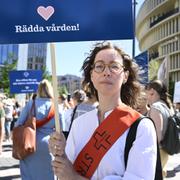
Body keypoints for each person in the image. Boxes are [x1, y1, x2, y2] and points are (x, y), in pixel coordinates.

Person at [49, 42, 158, 179]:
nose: (106, 72)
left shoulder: (141, 127)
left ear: (125, 76)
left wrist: (74, 178)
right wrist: (61, 155)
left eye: (114, 66)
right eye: (99, 66)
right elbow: (66, 172)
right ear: (92, 76)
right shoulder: (78, 124)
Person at [15, 79, 60, 180]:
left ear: (38, 90)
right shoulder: (55, 106)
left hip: (28, 143)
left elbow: (18, 124)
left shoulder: (31, 104)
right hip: (49, 144)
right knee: (48, 173)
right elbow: (61, 129)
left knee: (29, 174)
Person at [145, 79, 174, 177]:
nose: (146, 97)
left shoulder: (156, 107)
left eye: (147, 93)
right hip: (164, 151)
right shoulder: (166, 106)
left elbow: (158, 136)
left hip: (157, 151)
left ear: (152, 91)